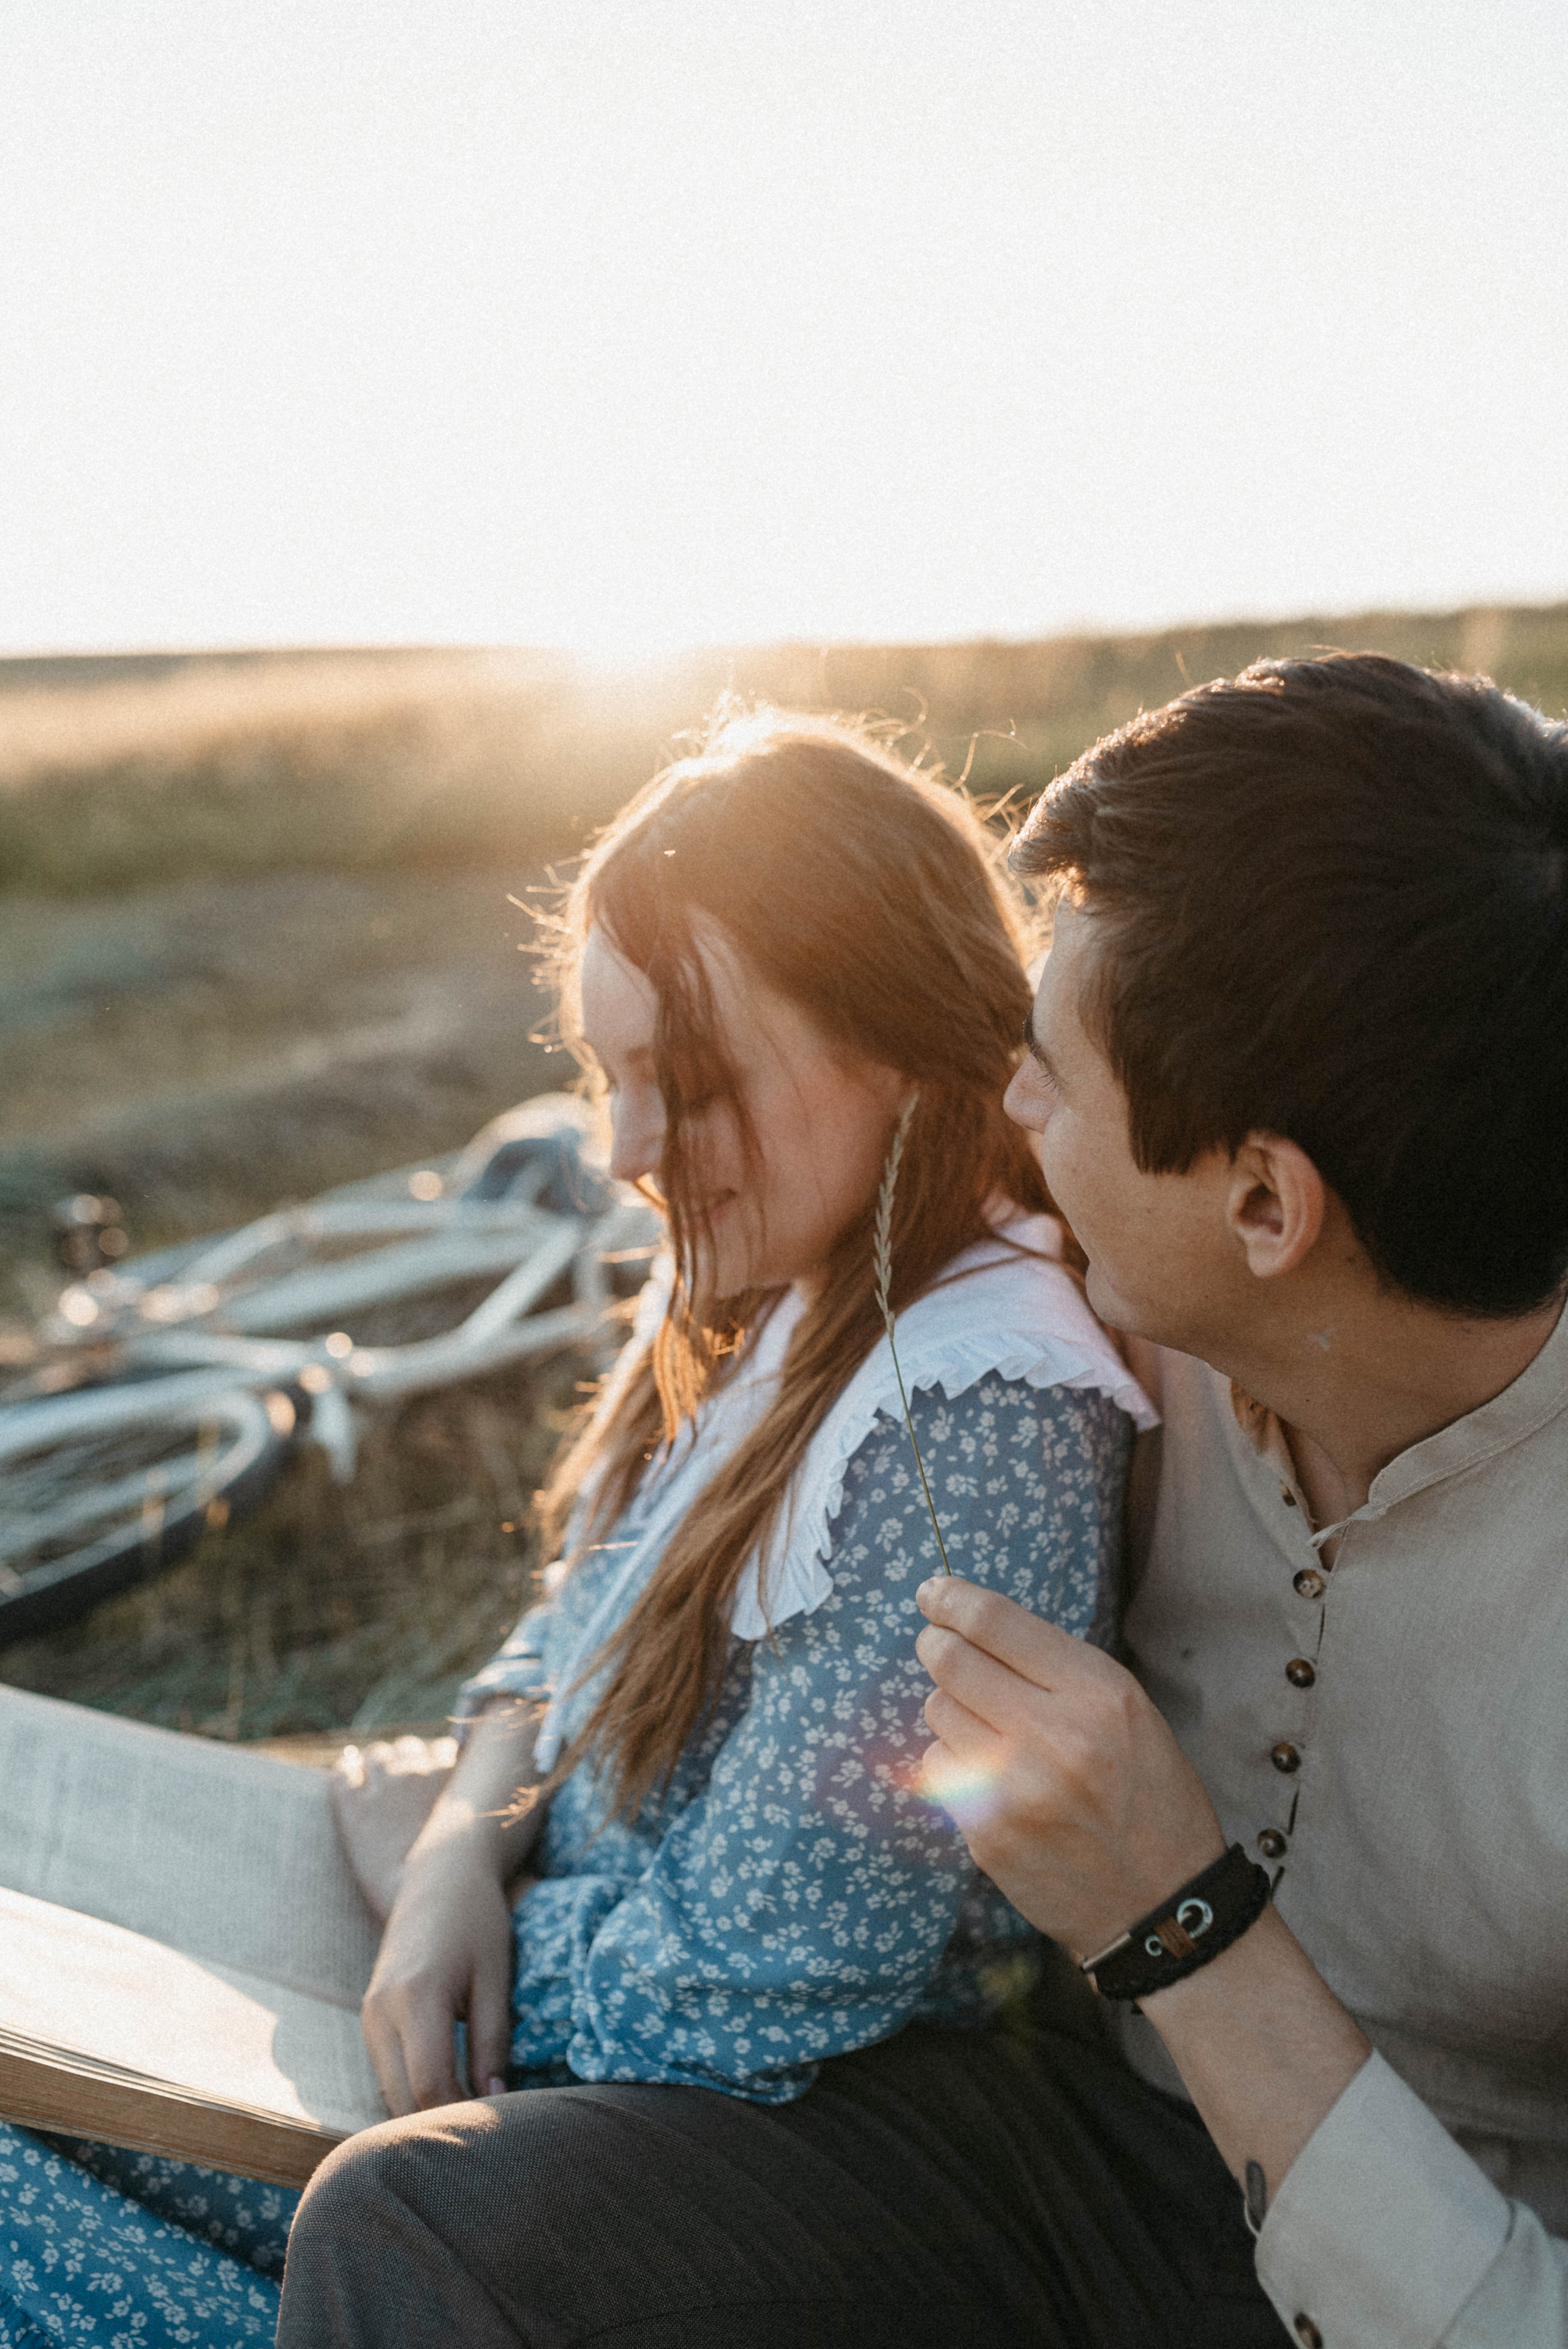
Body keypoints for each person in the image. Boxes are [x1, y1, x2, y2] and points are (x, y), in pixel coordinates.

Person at [257, 708, 1149, 2344]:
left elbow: (768, 1971)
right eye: (605, 1076)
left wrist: (469, 1927)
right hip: (546, 2029)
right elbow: (572, 1615)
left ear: (895, 1039)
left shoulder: (977, 1408)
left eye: (689, 1081)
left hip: (754, 2140)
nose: (626, 1150)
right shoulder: (798, 1294)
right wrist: (459, 1834)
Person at [913, 650, 1568, 2345]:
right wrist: (477, 1772)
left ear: (1267, 1203)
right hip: (1060, 2157)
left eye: (1058, 1074)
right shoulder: (1108, 1295)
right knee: (453, 2214)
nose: (1013, 1106)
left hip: (1440, 2283)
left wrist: (1175, 1913)